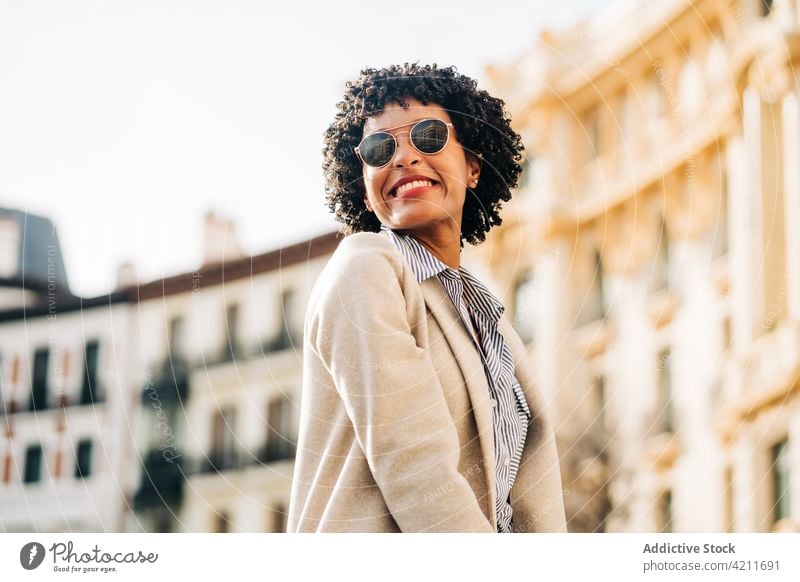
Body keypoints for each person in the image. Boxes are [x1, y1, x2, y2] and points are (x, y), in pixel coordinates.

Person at [287, 63, 566, 533]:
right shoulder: (365, 268)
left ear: (473, 167)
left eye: (430, 136)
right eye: (380, 148)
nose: (404, 158)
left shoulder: (487, 319)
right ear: (363, 185)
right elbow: (417, 471)